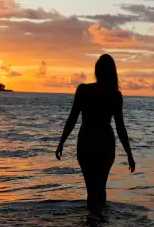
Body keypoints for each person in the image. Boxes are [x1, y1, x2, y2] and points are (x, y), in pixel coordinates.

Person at [55, 54, 136, 214]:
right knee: (101, 187)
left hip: (87, 139)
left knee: (91, 189)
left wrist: (61, 142)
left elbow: (72, 118)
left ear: (97, 71)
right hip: (105, 141)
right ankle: (100, 226)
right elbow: (120, 127)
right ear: (113, 73)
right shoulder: (115, 95)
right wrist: (129, 153)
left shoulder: (83, 90)